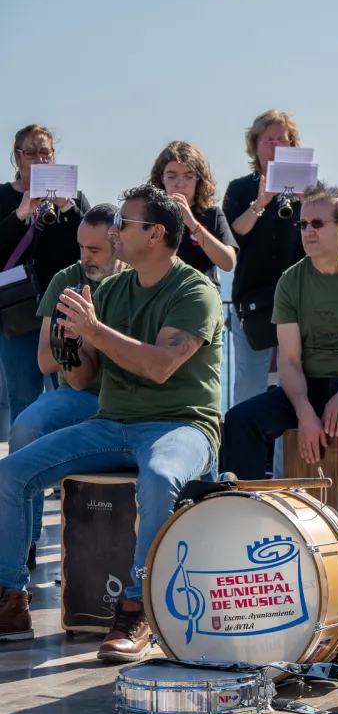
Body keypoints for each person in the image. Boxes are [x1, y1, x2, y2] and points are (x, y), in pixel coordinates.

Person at [0, 184, 223, 660]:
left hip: (181, 426)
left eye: (124, 223)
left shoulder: (194, 290)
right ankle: (12, 599)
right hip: (113, 421)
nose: (115, 230)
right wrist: (71, 343)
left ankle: (137, 605)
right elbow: (82, 381)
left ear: (156, 234)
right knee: (9, 473)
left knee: (161, 478)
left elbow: (162, 365)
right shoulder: (112, 290)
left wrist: (95, 330)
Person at [221, 181, 338, 578]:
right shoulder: (291, 281)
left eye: (318, 223)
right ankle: (249, 525)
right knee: (241, 421)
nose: (307, 230)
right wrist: (305, 410)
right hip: (305, 385)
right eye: (304, 223)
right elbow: (289, 361)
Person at [14, 204, 124, 570]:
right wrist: (73, 344)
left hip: (130, 401)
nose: (85, 258)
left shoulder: (138, 280)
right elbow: (45, 360)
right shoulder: (68, 280)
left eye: (95, 250)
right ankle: (23, 549)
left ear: (119, 243)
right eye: (81, 248)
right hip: (78, 396)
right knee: (25, 428)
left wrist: (94, 334)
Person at [0, 124, 92, 428]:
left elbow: (95, 245)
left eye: (45, 153)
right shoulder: (3, 196)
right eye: (31, 153)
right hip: (17, 311)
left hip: (64, 308)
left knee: (70, 394)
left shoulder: (74, 198)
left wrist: (67, 206)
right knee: (23, 397)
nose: (39, 160)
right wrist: (20, 215)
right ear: (17, 157)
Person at [222, 110, 305, 405]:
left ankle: (286, 453)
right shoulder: (240, 188)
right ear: (254, 146)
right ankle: (246, 451)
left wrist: (308, 202)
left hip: (297, 301)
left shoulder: (306, 192)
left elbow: (325, 239)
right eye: (270, 140)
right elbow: (233, 237)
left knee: (292, 391)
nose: (277, 146)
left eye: (284, 140)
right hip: (252, 300)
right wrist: (260, 204)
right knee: (248, 388)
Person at [149, 141, 237, 286]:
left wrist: (192, 223)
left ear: (199, 180)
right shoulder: (149, 215)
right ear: (161, 179)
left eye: (188, 176)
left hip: (200, 296)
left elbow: (228, 263)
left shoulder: (212, 215)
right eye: (172, 176)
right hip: (160, 296)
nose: (180, 183)